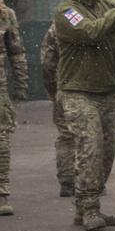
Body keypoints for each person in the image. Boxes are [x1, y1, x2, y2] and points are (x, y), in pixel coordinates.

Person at [53, 0, 115, 231]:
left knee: (108, 150)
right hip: (78, 92)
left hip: (106, 90)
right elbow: (90, 32)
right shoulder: (66, 11)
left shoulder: (107, 4)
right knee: (90, 147)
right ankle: (88, 207)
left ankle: (88, 206)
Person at [0, 0, 28, 215]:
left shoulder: (5, 14)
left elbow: (16, 52)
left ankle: (2, 193)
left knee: (2, 139)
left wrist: (21, 84)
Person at [40, 24, 76, 196]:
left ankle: (67, 181)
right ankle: (90, 181)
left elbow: (47, 63)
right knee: (91, 137)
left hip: (64, 87)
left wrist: (52, 91)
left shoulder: (57, 27)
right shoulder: (95, 23)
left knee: (66, 135)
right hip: (90, 89)